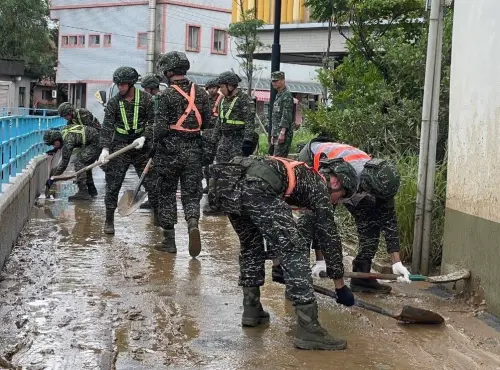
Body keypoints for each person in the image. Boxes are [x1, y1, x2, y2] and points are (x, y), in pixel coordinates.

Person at [207, 155, 356, 350]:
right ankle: (309, 329)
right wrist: (340, 286)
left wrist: (278, 263)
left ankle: (252, 311)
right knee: (294, 250)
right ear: (335, 182)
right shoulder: (319, 187)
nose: (337, 201)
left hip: (230, 186)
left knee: (251, 247)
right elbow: (330, 238)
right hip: (256, 188)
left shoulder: (302, 175)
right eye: (342, 195)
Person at [288, 138, 411, 293]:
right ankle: (297, 281)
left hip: (350, 177)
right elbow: (321, 217)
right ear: (366, 186)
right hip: (314, 159)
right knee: (309, 221)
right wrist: (321, 260)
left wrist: (396, 262)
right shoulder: (337, 175)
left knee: (371, 223)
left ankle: (362, 278)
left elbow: (389, 220)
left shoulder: (382, 181)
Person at [153, 51, 210, 257]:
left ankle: (169, 241)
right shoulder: (202, 93)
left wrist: (151, 147)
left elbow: (159, 128)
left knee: (167, 193)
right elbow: (209, 125)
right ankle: (193, 223)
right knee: (191, 194)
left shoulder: (166, 95)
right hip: (194, 151)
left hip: (169, 152)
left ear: (168, 72)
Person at [99, 66, 156, 235]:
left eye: (123, 84)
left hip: (141, 146)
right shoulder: (113, 102)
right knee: (112, 185)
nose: (120, 88)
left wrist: (145, 137)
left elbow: (153, 122)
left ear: (131, 84)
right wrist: (104, 149)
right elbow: (107, 127)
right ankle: (109, 220)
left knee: (153, 184)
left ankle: (159, 219)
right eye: (118, 84)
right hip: (120, 146)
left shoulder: (147, 100)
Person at [44, 125, 101, 200]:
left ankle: (83, 192)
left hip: (96, 144)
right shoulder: (64, 133)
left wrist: (52, 178)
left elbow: (64, 164)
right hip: (94, 141)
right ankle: (91, 190)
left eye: (53, 144)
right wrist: (55, 149)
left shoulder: (68, 141)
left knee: (79, 163)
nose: (53, 145)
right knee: (85, 164)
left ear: (57, 139)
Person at [211, 71, 256, 164]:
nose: (220, 90)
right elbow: (220, 121)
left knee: (236, 169)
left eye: (222, 87)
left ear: (231, 86)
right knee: (220, 168)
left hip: (238, 142)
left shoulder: (245, 99)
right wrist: (213, 139)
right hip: (224, 141)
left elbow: (249, 122)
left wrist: (247, 141)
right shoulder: (222, 100)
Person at [138, 73, 162, 210]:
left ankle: (155, 201)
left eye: (146, 88)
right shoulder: (156, 99)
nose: (144, 91)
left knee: (154, 172)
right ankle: (154, 200)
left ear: (152, 88)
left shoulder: (156, 100)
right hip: (153, 138)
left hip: (157, 139)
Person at [202, 78, 223, 194]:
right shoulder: (205, 100)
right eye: (209, 88)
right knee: (206, 162)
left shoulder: (222, 99)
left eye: (213, 88)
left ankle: (218, 186)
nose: (211, 90)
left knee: (219, 160)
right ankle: (208, 184)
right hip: (206, 133)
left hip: (218, 134)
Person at [269, 71, 294, 157]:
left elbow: (286, 115)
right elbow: (276, 117)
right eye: (273, 81)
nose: (274, 83)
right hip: (276, 133)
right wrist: (273, 135)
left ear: (283, 80)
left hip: (283, 134)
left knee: (279, 161)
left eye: (276, 81)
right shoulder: (279, 95)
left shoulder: (286, 95)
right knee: (274, 159)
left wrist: (282, 133)